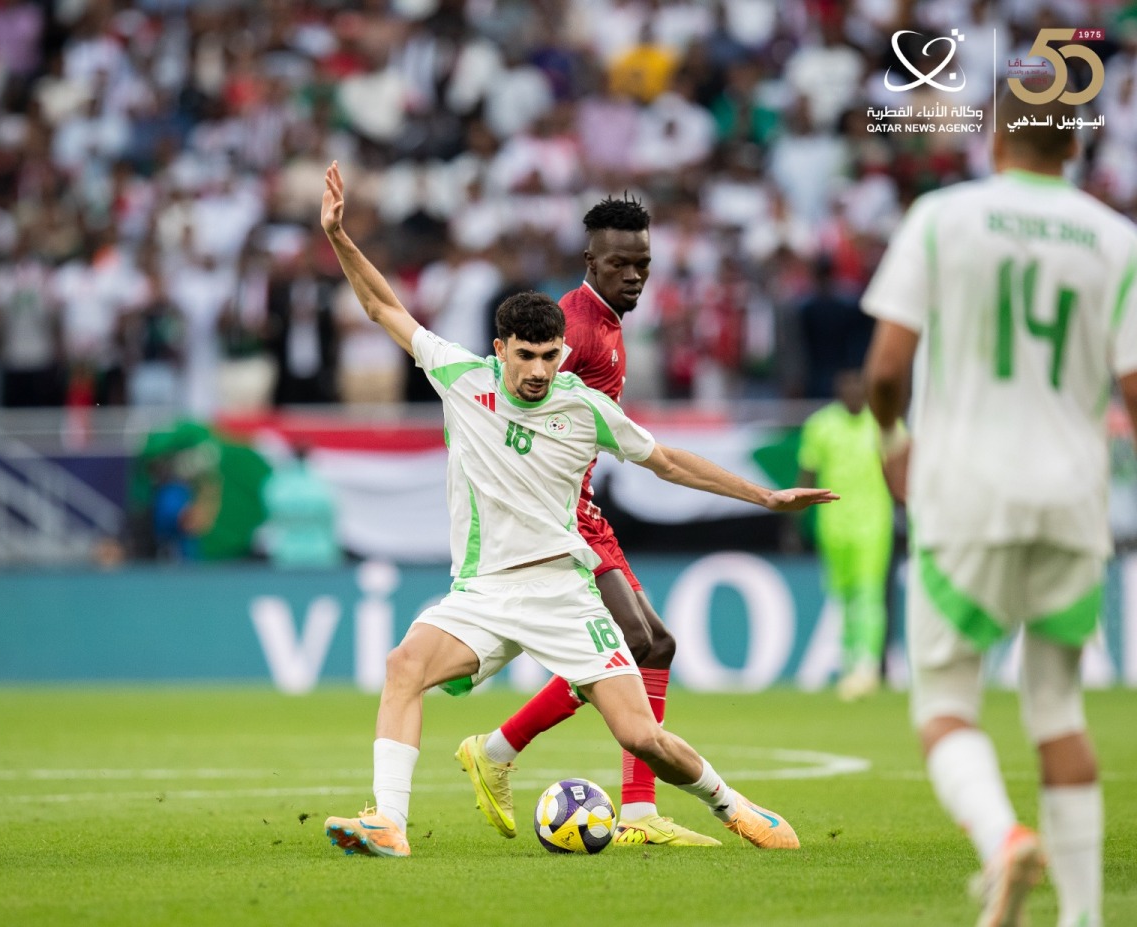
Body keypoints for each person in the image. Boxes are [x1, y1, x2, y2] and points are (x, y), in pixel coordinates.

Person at [318, 160, 838, 859]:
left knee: (639, 735)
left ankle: (732, 803)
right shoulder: (459, 376)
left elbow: (671, 462)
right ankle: (389, 821)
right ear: (499, 350)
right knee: (403, 665)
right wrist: (339, 237)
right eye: (526, 356)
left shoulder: (585, 406)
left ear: (564, 352)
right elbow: (384, 307)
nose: (538, 371)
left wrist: (765, 494)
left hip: (565, 591)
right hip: (484, 591)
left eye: (550, 356)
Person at [862, 89, 1137, 927]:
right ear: (1076, 148)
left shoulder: (943, 218)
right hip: (1071, 499)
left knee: (945, 704)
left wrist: (892, 441)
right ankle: (1085, 918)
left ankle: (1001, 838)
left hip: (965, 491)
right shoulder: (1118, 240)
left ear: (995, 137)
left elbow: (884, 369)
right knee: (1057, 707)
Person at [454, 193, 723, 848]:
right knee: (632, 643)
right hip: (560, 517)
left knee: (652, 644)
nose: (633, 276)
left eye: (643, 264)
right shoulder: (570, 331)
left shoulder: (608, 323)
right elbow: (506, 400)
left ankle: (628, 807)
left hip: (586, 508)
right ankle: (504, 751)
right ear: (590, 262)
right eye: (620, 264)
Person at [797, 368, 894, 700]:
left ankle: (867, 666)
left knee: (868, 594)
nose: (854, 395)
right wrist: (797, 523)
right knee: (845, 597)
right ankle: (852, 663)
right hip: (834, 526)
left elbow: (901, 471)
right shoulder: (821, 425)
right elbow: (806, 475)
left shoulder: (884, 424)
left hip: (873, 524)